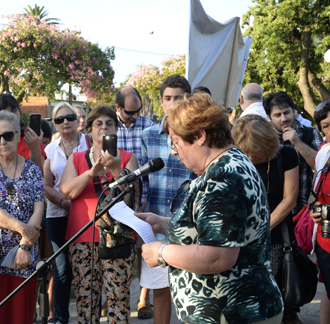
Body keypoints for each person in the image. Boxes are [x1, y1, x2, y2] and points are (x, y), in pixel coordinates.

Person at [137, 94, 283, 324]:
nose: (174, 152)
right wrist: (163, 224)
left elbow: (218, 257)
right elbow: (212, 229)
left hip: (233, 312)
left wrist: (161, 253)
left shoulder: (223, 178)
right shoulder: (229, 162)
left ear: (200, 136)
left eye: (176, 142)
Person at [60, 105, 139, 324]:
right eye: (99, 124)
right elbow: (66, 192)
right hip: (83, 239)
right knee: (86, 300)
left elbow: (133, 197)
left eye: (109, 123)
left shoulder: (127, 158)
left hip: (117, 237)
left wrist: (116, 171)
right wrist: (90, 173)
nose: (104, 127)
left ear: (116, 128)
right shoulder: (76, 159)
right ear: (90, 129)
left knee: (118, 298)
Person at [0, 110, 45, 324]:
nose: (2, 141)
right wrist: (25, 230)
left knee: (19, 316)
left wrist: (24, 246)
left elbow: (38, 209)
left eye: (8, 135)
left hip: (24, 258)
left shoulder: (32, 169)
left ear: (19, 134)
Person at [232, 115, 299, 323]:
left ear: (268, 144)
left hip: (276, 236)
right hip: (241, 239)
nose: (250, 157)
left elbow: (289, 200)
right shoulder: (236, 158)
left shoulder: (286, 154)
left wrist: (260, 230)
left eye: (255, 152)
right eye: (245, 152)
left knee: (271, 293)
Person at [139, 74, 192, 324]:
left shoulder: (198, 135)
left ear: (188, 100)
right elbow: (142, 183)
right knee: (161, 291)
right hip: (156, 227)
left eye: (179, 98)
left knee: (193, 292)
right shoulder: (148, 135)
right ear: (161, 101)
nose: (174, 103)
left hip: (191, 226)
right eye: (169, 98)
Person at [44, 102, 90, 324]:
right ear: (54, 124)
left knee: (87, 268)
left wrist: (77, 206)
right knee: (62, 270)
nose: (65, 123)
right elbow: (46, 185)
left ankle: (87, 316)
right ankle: (61, 318)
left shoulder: (89, 144)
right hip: (57, 215)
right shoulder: (49, 151)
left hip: (87, 216)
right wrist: (64, 202)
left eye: (69, 117)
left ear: (77, 119)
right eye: (59, 119)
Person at [114, 86, 155, 319]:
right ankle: (112, 296)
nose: (136, 116)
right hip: (116, 198)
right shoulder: (108, 128)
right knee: (114, 247)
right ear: (118, 108)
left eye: (138, 110)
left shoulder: (149, 127)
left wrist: (144, 199)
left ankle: (143, 299)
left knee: (145, 249)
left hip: (144, 196)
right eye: (130, 112)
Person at [0, 94, 47, 173]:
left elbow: (37, 178)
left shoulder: (32, 139)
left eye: (14, 111)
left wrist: (35, 149)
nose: (11, 116)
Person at [309, 99, 330, 324]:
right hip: (327, 240)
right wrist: (315, 211)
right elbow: (313, 197)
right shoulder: (324, 154)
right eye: (326, 125)